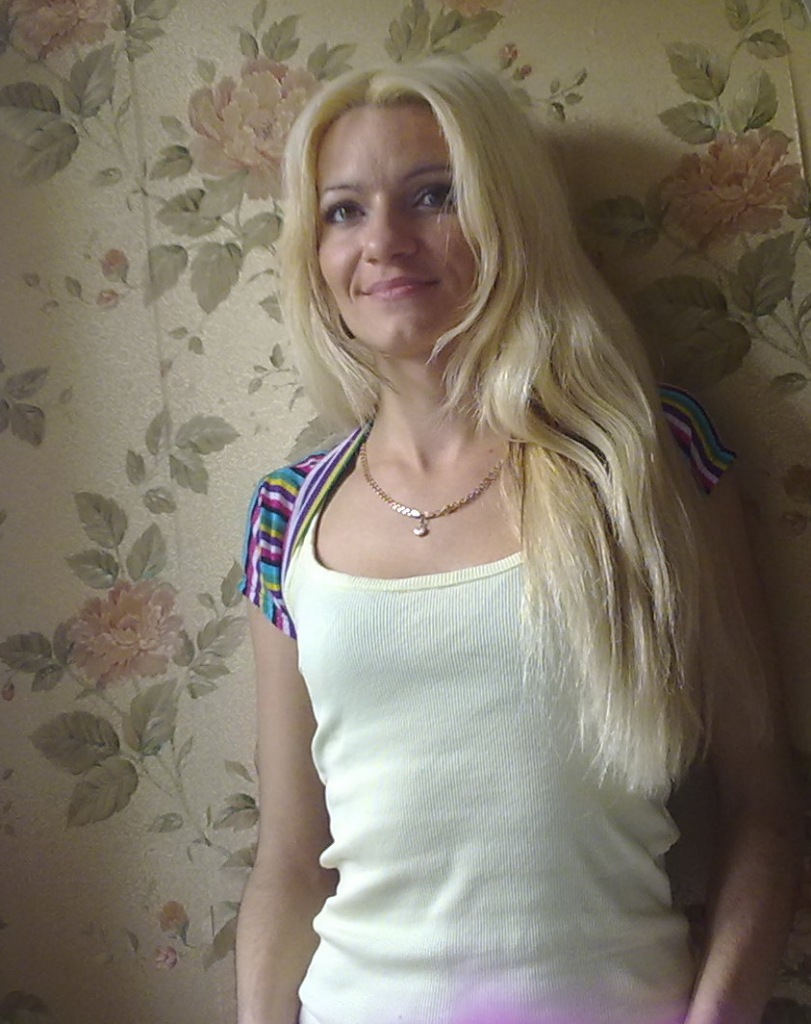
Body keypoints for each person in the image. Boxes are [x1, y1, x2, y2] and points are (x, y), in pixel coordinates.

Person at [236, 56, 801, 1024]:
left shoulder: (648, 458)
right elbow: (288, 861)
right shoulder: (288, 512)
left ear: (508, 215)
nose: (383, 241)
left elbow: (762, 803)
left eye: (433, 195)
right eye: (343, 211)